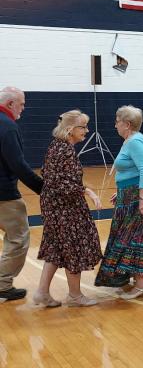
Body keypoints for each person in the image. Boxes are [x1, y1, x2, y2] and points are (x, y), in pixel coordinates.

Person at [35, 110, 102, 307]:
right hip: (64, 207)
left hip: (54, 206)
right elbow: (60, 183)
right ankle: (75, 295)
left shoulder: (57, 145)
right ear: (71, 129)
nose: (87, 131)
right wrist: (87, 191)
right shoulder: (64, 149)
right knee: (74, 246)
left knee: (56, 247)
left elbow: (49, 175)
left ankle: (42, 293)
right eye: (83, 127)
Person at [95, 106, 143, 298]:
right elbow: (130, 170)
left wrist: (142, 198)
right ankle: (133, 280)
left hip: (138, 196)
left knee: (135, 238)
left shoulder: (135, 141)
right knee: (128, 236)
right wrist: (121, 191)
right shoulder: (130, 140)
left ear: (127, 124)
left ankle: (141, 285)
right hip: (129, 194)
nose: (115, 125)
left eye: (117, 121)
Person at [0, 87, 43, 302]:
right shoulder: (7, 126)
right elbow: (18, 165)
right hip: (4, 195)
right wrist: (43, 189)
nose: (23, 108)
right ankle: (2, 285)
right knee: (18, 239)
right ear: (10, 104)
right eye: (22, 104)